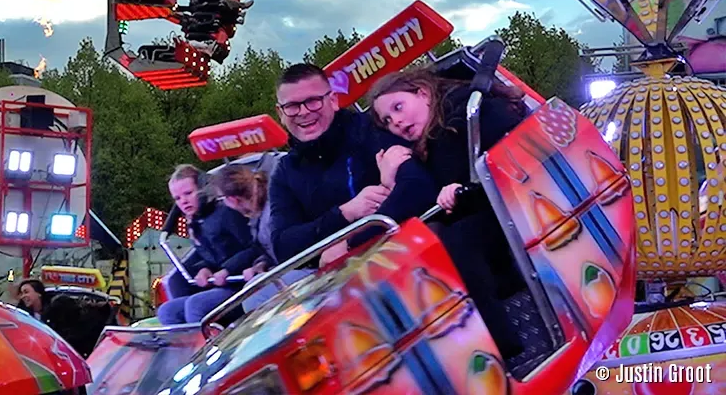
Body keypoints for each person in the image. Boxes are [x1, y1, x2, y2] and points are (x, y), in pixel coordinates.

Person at [366, 68, 530, 359]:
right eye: (388, 120)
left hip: (519, 202)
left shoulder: (468, 112)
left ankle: (503, 346)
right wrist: (389, 181)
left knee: (457, 241)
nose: (396, 122)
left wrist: (464, 190)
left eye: (398, 107)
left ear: (423, 93)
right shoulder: (434, 138)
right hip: (494, 210)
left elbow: (511, 160)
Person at [267, 64, 420, 266]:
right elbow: (283, 247)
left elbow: (417, 186)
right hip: (340, 276)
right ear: (280, 113)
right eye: (292, 106)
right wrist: (345, 213)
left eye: (313, 101)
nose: (303, 112)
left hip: (409, 253)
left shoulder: (371, 130)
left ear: (333, 100)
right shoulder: (285, 171)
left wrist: (350, 243)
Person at [157, 164, 256, 325]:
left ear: (203, 189)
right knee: (166, 310)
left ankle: (205, 339)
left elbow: (254, 247)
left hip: (242, 283)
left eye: (188, 193)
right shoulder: (196, 222)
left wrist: (227, 269)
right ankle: (185, 340)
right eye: (178, 198)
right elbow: (211, 256)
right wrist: (204, 268)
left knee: (195, 305)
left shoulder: (226, 213)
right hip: (221, 283)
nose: (184, 201)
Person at [211, 159, 313, 311]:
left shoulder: (271, 214)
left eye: (221, 199)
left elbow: (291, 251)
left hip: (309, 269)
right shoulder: (261, 211)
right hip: (293, 267)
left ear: (232, 200)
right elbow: (271, 249)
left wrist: (269, 269)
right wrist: (262, 264)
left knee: (252, 296)